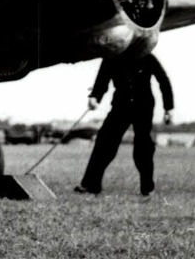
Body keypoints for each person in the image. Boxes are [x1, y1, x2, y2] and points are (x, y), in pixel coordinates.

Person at [75, 51, 174, 196]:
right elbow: (102, 78)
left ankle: (147, 187)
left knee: (143, 145)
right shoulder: (111, 56)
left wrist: (168, 107)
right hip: (121, 105)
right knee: (104, 141)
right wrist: (95, 96)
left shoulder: (146, 56)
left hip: (144, 105)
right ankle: (91, 185)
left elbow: (163, 80)